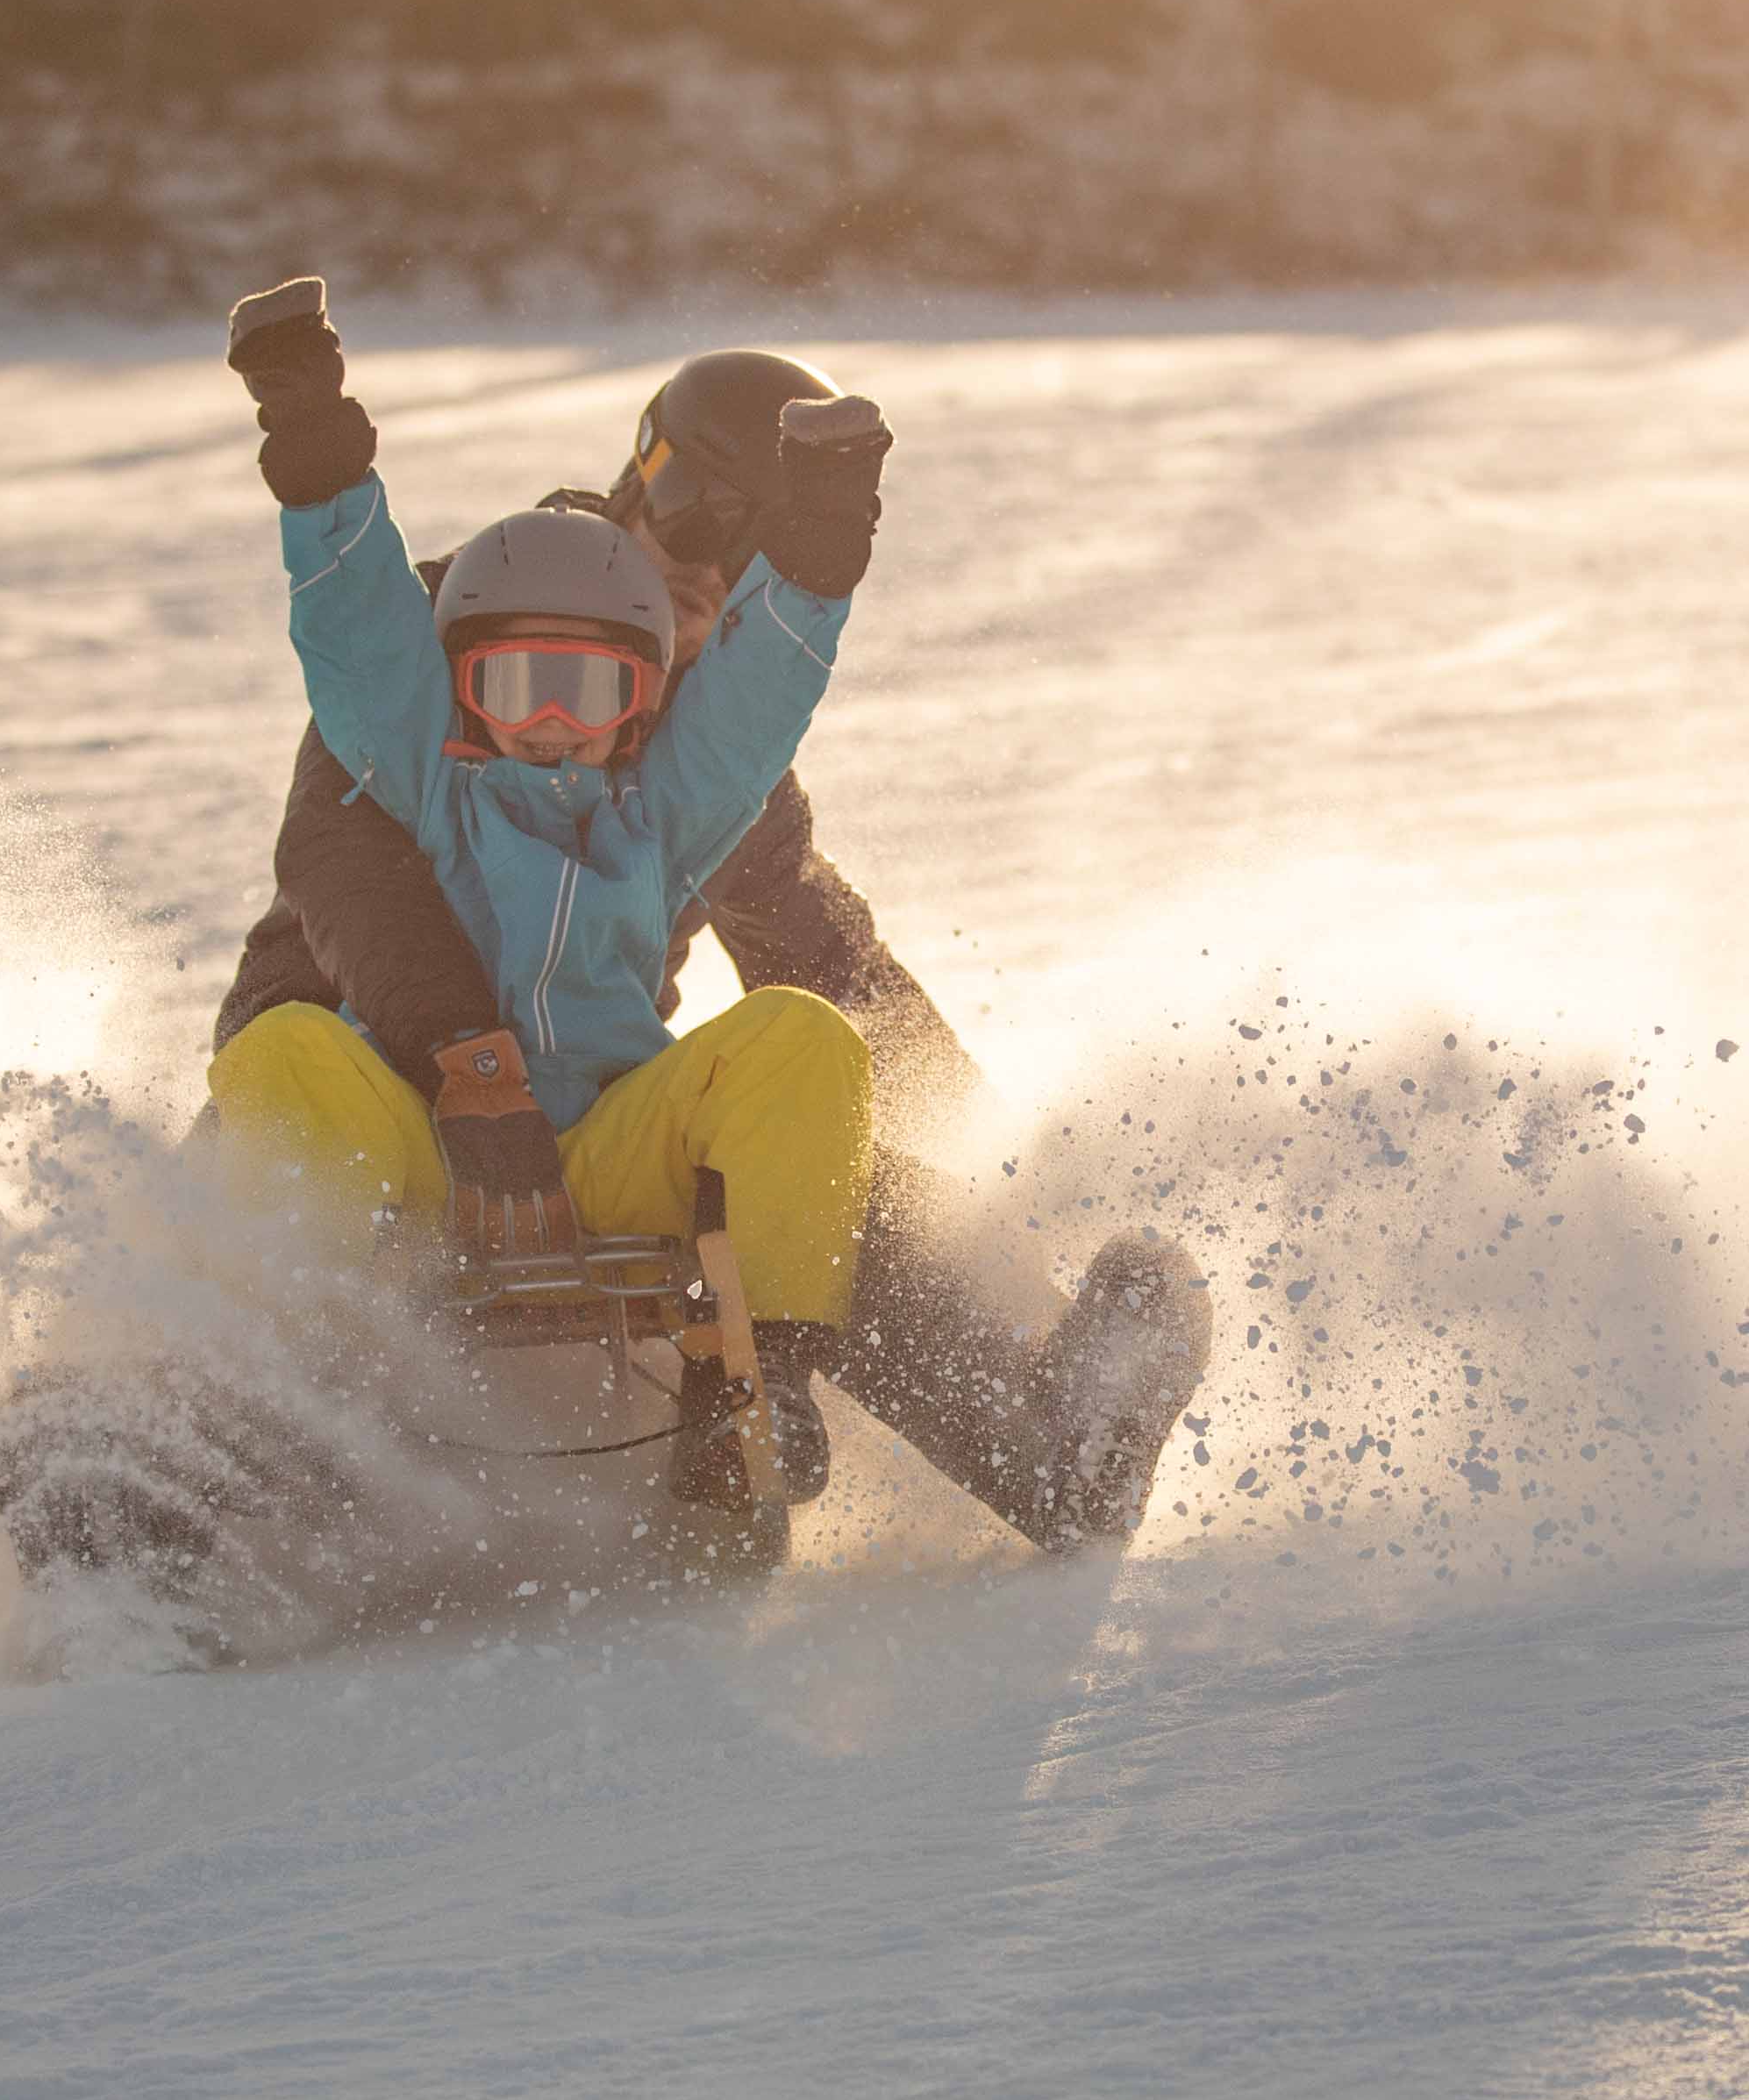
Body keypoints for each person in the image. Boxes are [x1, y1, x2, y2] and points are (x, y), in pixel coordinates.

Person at [203, 317, 1207, 1549]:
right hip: (350, 1071)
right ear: (636, 483)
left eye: (750, 548)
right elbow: (342, 861)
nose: (705, 571)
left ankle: (1040, 1439)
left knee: (813, 1154)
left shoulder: (704, 758)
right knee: (241, 1175)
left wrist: (983, 1174)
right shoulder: (452, 639)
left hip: (594, 1114)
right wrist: (467, 1058)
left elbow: (821, 963)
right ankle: (177, 1460)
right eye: (688, 514)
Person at [203, 275, 883, 1499]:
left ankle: (757, 1393)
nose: (560, 724)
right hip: (401, 1118)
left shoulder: (676, 803)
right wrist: (312, 441)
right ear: (464, 691)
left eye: (598, 693)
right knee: (280, 1056)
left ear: (650, 700)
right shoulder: (425, 742)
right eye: (525, 690)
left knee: (810, 1047)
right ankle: (264, 1402)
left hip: (607, 1144)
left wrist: (825, 557)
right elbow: (355, 634)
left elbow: (769, 709)